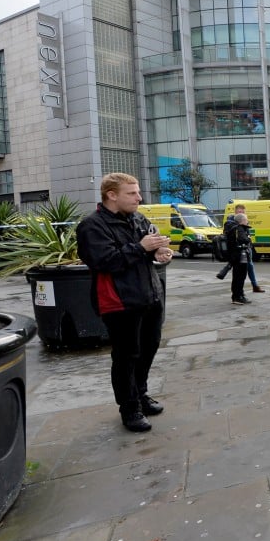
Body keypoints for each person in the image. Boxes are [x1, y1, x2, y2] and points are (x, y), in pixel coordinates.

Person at [76, 173, 173, 433]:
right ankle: (129, 408)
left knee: (148, 349)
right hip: (119, 302)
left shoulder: (139, 218)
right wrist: (141, 248)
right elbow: (104, 261)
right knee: (126, 356)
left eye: (138, 192)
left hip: (149, 296)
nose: (139, 198)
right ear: (112, 195)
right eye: (132, 193)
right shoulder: (92, 226)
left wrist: (160, 252)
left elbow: (151, 248)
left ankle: (140, 394)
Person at [218, 204, 264, 293]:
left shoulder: (243, 222)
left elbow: (247, 234)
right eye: (240, 212)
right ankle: (239, 293)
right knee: (239, 272)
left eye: (243, 212)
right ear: (235, 212)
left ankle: (253, 286)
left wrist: (249, 242)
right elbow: (234, 237)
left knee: (248, 267)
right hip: (238, 250)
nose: (242, 213)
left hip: (246, 249)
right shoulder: (231, 223)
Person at [226, 212, 253, 305]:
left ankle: (239, 295)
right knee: (240, 277)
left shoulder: (235, 228)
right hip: (239, 257)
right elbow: (244, 239)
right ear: (242, 221)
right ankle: (237, 297)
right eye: (246, 219)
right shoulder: (239, 228)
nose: (247, 221)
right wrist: (248, 238)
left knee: (238, 277)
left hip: (236, 256)